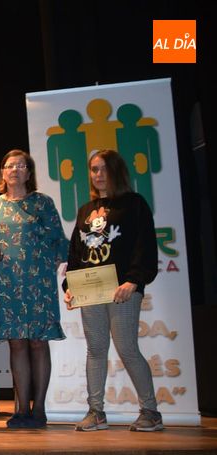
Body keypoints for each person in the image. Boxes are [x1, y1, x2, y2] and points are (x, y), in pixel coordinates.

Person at [64, 149, 163, 432]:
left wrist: (133, 281)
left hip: (122, 290)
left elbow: (145, 246)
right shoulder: (86, 210)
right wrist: (70, 286)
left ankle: (150, 412)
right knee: (95, 350)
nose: (98, 175)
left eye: (103, 169)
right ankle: (96, 412)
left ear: (116, 171)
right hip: (91, 292)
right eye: (94, 170)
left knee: (127, 348)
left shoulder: (134, 204)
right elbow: (76, 252)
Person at [0, 150, 68, 429]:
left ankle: (40, 408)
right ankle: (21, 409)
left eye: (21, 166)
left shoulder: (42, 203)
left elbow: (60, 240)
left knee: (37, 341)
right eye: (10, 165)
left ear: (29, 173)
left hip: (38, 284)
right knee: (17, 343)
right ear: (2, 172)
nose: (15, 170)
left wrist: (58, 262)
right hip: (5, 283)